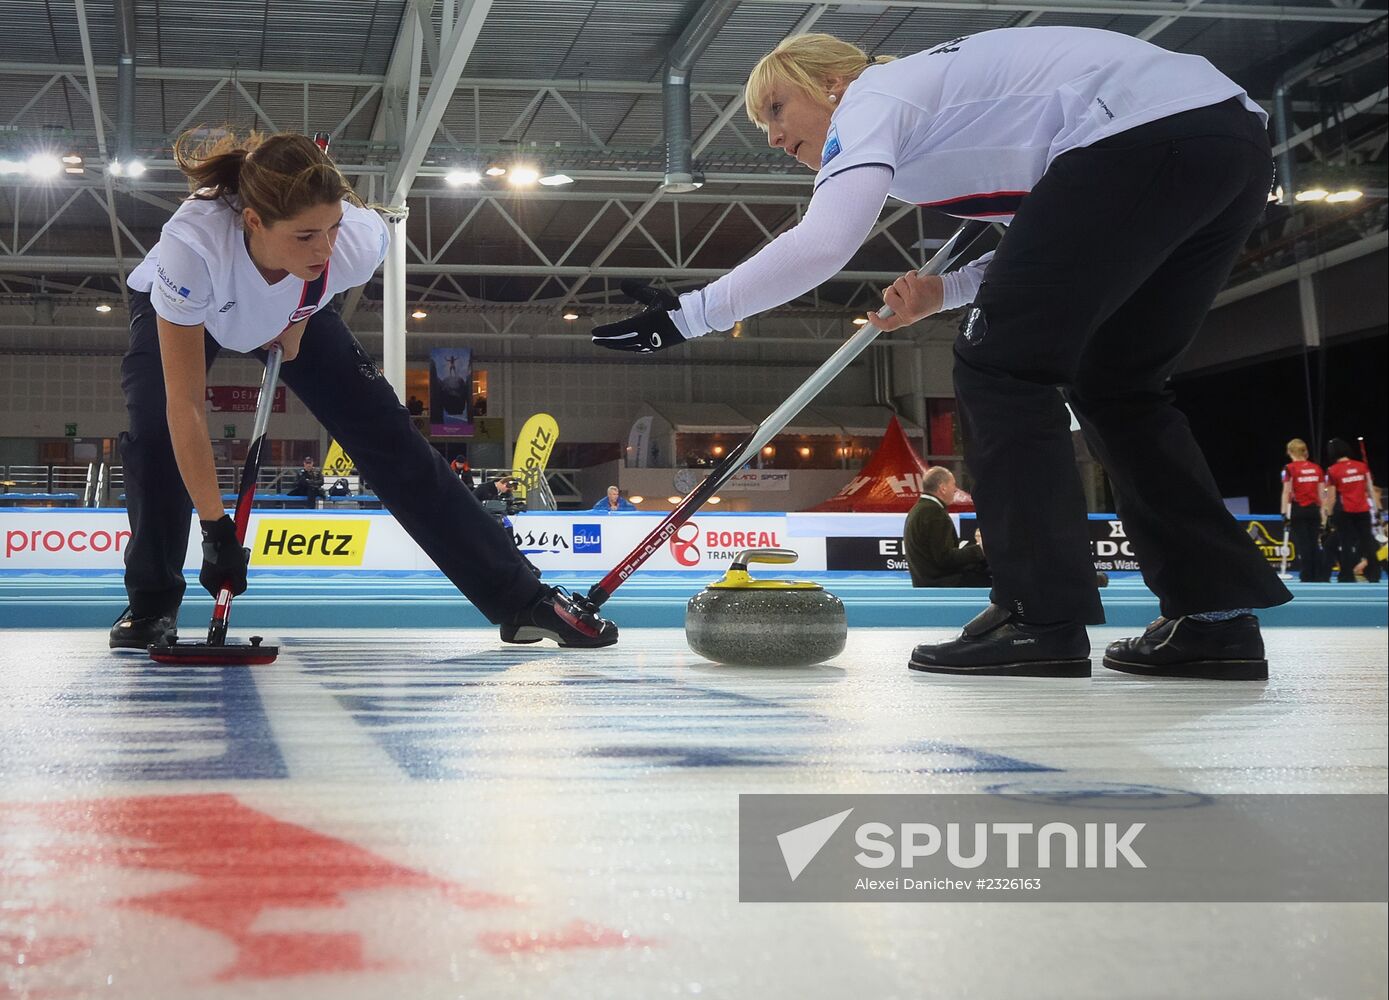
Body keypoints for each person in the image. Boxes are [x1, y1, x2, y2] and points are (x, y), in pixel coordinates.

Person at [593, 27, 1291, 679]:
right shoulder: (952, 119)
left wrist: (689, 313)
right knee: (1117, 385)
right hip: (1225, 143)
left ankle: (1039, 618)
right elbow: (1054, 249)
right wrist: (944, 292)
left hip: (1138, 138)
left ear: (832, 82)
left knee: (1000, 366)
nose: (773, 136)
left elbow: (825, 241)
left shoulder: (872, 96)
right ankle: (1214, 622)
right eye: (762, 125)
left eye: (776, 107)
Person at [109, 129, 616, 651]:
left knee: (388, 434)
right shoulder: (192, 248)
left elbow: (317, 279)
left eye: (331, 229)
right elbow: (186, 406)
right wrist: (216, 531)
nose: (324, 247)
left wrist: (297, 318)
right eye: (306, 235)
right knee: (153, 436)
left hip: (288, 307)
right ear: (254, 221)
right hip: (184, 310)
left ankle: (519, 596)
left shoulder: (356, 242)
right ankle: (151, 605)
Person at [904, 467, 990, 587]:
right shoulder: (934, 513)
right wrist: (981, 549)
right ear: (943, 488)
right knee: (999, 584)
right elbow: (945, 559)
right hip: (939, 581)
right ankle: (1018, 605)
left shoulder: (919, 510)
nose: (955, 490)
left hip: (926, 579)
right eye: (953, 485)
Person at [1323, 438, 1380, 584]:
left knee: (1346, 544)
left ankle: (1346, 575)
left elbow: (1331, 496)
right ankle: (1374, 574)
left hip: (1345, 511)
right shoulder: (1362, 466)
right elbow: (1370, 489)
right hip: (1363, 510)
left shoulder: (1332, 470)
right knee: (1367, 542)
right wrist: (1377, 508)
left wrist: (1329, 515)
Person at [1280, 438, 1325, 583]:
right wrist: (1324, 515)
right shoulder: (1316, 468)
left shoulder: (1290, 468)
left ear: (1290, 451)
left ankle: (1306, 575)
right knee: (1313, 543)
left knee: (1303, 544)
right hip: (1314, 510)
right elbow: (1321, 494)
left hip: (1298, 509)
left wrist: (1284, 513)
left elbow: (1287, 492)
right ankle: (1318, 575)